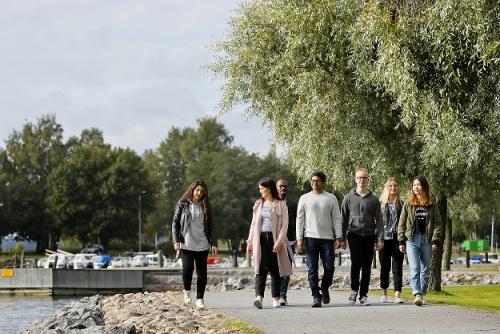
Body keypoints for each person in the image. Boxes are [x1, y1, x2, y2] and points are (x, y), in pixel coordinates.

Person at [296, 172, 343, 308]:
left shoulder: (331, 198)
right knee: (312, 269)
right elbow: (300, 220)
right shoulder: (304, 198)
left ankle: (324, 288)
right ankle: (316, 296)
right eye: (312, 181)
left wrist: (338, 236)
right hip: (310, 238)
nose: (314, 183)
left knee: (329, 267)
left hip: (327, 239)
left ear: (323, 183)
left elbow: (337, 219)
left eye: (317, 181)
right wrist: (299, 239)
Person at [247, 177, 293, 309]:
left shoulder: (280, 204)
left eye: (262, 188)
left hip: (275, 240)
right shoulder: (258, 204)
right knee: (260, 269)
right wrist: (250, 243)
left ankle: (275, 299)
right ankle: (258, 298)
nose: (260, 191)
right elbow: (253, 224)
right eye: (260, 189)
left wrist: (279, 241)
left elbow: (285, 225)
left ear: (269, 188)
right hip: (260, 239)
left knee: (275, 269)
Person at [172, 180, 218, 309]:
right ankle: (186, 292)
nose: (199, 193)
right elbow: (175, 224)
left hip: (202, 243)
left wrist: (214, 243)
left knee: (202, 272)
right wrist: (176, 241)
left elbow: (211, 226)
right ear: (192, 190)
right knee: (187, 269)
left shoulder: (206, 205)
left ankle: (199, 299)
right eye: (197, 190)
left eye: (202, 191)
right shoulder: (183, 204)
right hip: (186, 243)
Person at [341, 168, 384, 306]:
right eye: (359, 177)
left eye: (364, 178)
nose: (362, 180)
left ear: (368, 179)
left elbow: (379, 220)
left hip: (369, 235)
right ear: (355, 179)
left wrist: (380, 238)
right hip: (353, 234)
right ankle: (354, 291)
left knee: (366, 266)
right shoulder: (348, 197)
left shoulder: (374, 199)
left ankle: (363, 295)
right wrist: (341, 238)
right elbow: (342, 219)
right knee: (356, 263)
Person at [398, 175, 442, 306]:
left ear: (424, 186)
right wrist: (401, 241)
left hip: (427, 240)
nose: (416, 187)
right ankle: (417, 293)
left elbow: (438, 224)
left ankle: (421, 294)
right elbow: (401, 224)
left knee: (425, 270)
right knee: (415, 268)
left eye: (418, 185)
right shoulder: (408, 203)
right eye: (414, 185)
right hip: (412, 239)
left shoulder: (432, 205)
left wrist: (435, 241)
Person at [378, 177, 405, 304]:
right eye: (390, 186)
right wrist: (377, 239)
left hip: (397, 239)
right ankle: (384, 292)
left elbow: (404, 223)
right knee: (384, 267)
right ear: (387, 188)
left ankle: (397, 295)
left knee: (397, 267)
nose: (393, 188)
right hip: (383, 239)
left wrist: (403, 240)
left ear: (398, 188)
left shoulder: (402, 204)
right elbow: (376, 223)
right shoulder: (380, 204)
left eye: (395, 186)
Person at [277, 178, 297, 306]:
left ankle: (283, 295)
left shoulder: (293, 204)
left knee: (287, 268)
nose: (283, 188)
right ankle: (276, 294)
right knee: (276, 268)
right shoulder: (271, 203)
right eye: (281, 186)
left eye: (285, 186)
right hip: (274, 241)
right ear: (276, 188)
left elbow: (296, 223)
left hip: (290, 240)